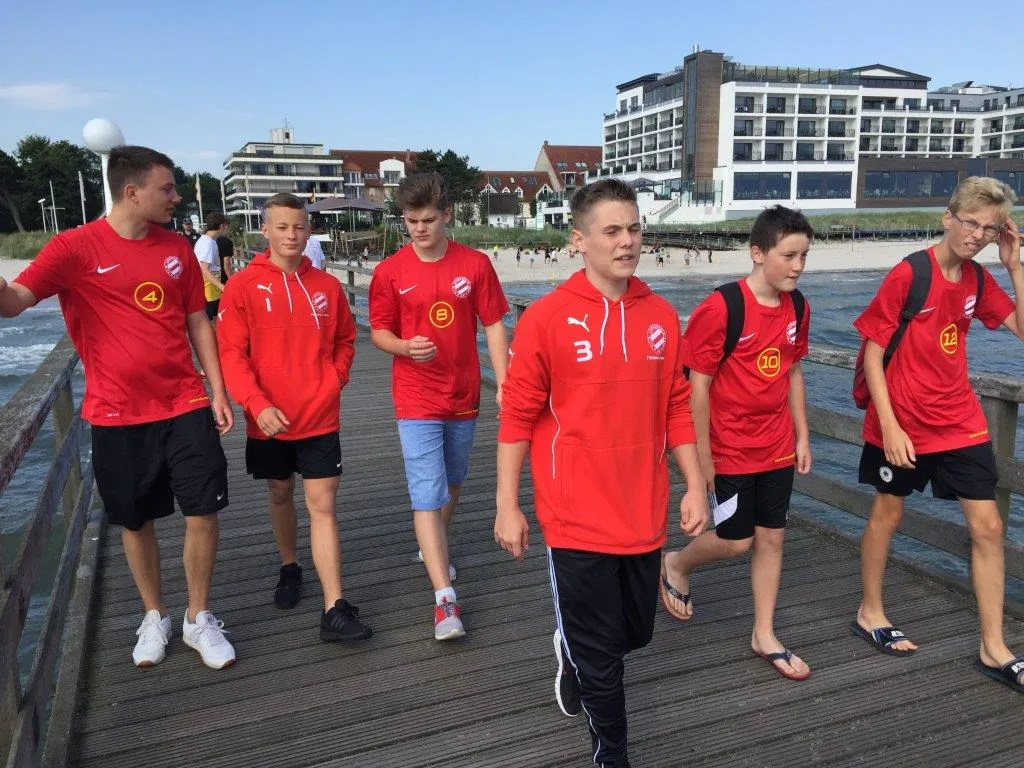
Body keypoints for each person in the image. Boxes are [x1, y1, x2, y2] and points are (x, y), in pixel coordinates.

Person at [495, 179, 708, 767]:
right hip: (573, 513)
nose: (627, 241)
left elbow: (676, 406)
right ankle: (611, 753)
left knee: (634, 633)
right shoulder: (546, 318)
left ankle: (571, 648)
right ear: (578, 240)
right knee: (603, 657)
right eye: (612, 230)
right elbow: (517, 415)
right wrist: (507, 504)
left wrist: (694, 484)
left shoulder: (661, 316)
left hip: (642, 506)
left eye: (634, 228)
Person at [0, 146, 236, 669]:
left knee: (204, 511)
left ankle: (198, 616)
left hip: (185, 402)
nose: (175, 198)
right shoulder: (73, 248)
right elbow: (13, 302)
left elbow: (197, 320)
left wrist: (218, 390)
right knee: (134, 520)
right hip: (116, 413)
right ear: (132, 192)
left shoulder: (176, 247)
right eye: (167, 189)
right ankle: (155, 614)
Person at [852, 177, 1024, 692]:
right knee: (888, 514)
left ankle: (993, 646)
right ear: (948, 217)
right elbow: (873, 354)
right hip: (901, 421)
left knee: (988, 526)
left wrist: (1014, 267)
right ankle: (870, 611)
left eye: (989, 229)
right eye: (970, 223)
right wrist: (889, 426)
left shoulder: (977, 280)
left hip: (959, 421)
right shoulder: (910, 274)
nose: (977, 235)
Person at [661, 205, 814, 681]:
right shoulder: (722, 307)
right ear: (757, 253)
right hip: (728, 448)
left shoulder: (798, 307)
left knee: (772, 537)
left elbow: (792, 371)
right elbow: (697, 387)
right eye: (788, 256)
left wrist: (803, 434)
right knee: (735, 540)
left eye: (804, 256)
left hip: (777, 445)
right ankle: (675, 563)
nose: (797, 266)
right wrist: (702, 461)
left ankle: (763, 633)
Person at [217, 193, 370, 643]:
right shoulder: (243, 286)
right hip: (268, 417)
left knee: (323, 506)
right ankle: (289, 566)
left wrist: (336, 377)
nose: (291, 235)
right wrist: (255, 403)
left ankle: (334, 607)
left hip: (320, 415)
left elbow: (345, 340)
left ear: (309, 231)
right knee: (280, 492)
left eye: (299, 227)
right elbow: (231, 354)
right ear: (265, 230)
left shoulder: (326, 287)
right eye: (282, 227)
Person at [368, 172, 509, 641]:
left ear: (446, 215)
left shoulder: (475, 265)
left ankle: (433, 547)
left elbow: (493, 324)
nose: (420, 229)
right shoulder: (390, 272)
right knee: (427, 491)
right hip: (415, 397)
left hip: (463, 394)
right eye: (411, 221)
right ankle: (444, 600)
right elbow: (379, 332)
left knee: (452, 483)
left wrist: (504, 381)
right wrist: (404, 347)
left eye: (428, 220)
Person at [194, 212, 228, 321]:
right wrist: (222, 287)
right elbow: (205, 269)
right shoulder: (207, 243)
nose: (226, 229)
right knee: (210, 320)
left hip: (211, 288)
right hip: (208, 289)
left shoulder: (207, 241)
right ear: (222, 226)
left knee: (214, 319)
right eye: (226, 226)